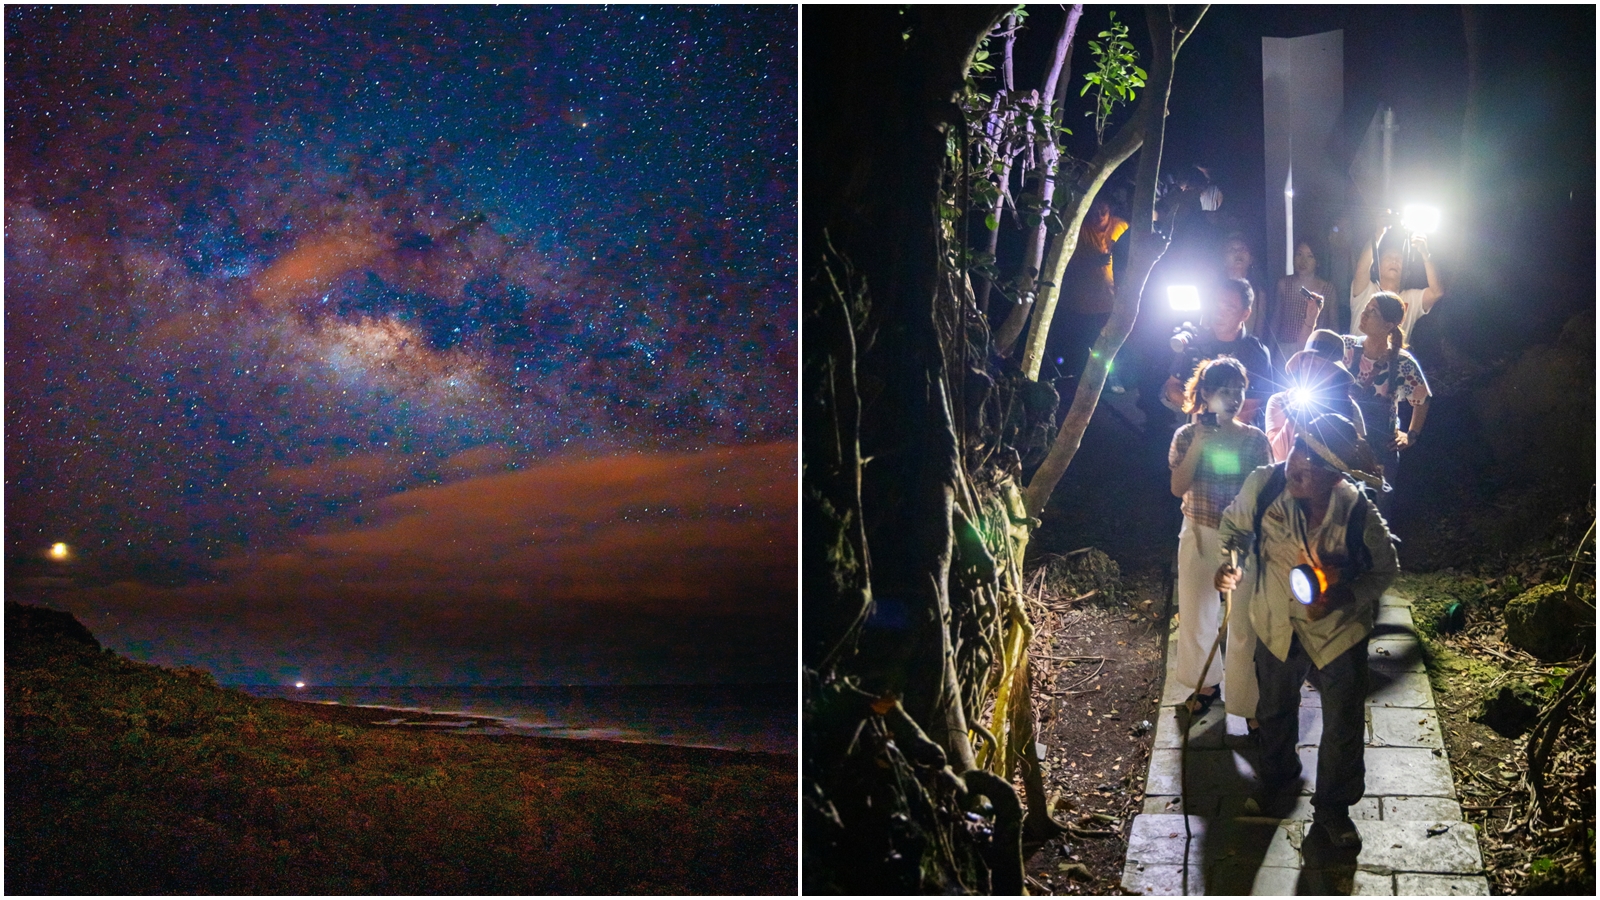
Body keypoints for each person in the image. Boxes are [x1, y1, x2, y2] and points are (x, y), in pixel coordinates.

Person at [1214, 414, 1398, 849]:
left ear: (1335, 477)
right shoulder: (1265, 486)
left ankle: (1333, 809)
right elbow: (1234, 529)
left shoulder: (1357, 512)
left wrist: (1346, 595)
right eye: (1300, 449)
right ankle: (1278, 780)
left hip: (1338, 631)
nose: (1300, 465)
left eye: (1316, 462)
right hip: (1276, 619)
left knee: (1342, 723)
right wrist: (1231, 565)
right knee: (1275, 709)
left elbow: (1386, 570)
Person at [1168, 358, 1273, 725]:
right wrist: (1198, 441)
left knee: (1244, 621)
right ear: (1206, 394)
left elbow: (1266, 493)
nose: (1233, 398)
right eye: (1224, 390)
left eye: (1239, 390)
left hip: (1242, 539)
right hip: (1199, 531)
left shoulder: (1255, 440)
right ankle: (1205, 682)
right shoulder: (1185, 436)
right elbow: (1178, 487)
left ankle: (1246, 700)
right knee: (1197, 612)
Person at [1341, 292, 1431, 516]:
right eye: (1367, 307)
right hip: (1344, 443)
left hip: (1381, 450)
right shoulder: (1348, 348)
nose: (1365, 313)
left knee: (1376, 513)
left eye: (1373, 312)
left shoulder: (1402, 362)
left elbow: (1423, 399)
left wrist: (1411, 435)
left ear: (1390, 324)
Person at [1164, 278, 1273, 428]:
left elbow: (1251, 408)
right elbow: (1172, 386)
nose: (1219, 314)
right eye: (1216, 306)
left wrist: (1218, 427)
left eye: (1229, 309)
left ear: (1245, 314)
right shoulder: (1195, 342)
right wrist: (1200, 409)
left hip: (1238, 439)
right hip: (1197, 432)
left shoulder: (1255, 353)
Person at [1047, 198, 1129, 388]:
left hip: (1109, 301)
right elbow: (1064, 265)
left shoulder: (1120, 226)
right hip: (1080, 303)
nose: (1099, 216)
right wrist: (1091, 263)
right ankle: (1081, 383)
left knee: (1110, 345)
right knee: (1083, 347)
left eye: (1103, 211)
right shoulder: (1080, 229)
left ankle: (1110, 379)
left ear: (1110, 209)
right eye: (1094, 211)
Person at [1264, 350, 1366, 463]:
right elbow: (1279, 455)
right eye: (1310, 364)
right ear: (1300, 366)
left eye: (1325, 367)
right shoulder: (1279, 400)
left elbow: (1358, 458)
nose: (1316, 372)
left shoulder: (1350, 407)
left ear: (1336, 374)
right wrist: (1297, 412)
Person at [1349, 222, 1444, 338]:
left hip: (1393, 356)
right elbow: (1361, 269)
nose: (1394, 261)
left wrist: (1425, 253)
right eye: (1389, 257)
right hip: (1357, 354)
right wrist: (1379, 233)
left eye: (1399, 259)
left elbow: (1437, 292)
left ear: (1407, 272)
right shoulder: (1366, 289)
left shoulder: (1413, 298)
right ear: (1376, 267)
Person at [1268, 241, 1336, 364]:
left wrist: (1333, 354)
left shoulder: (1327, 288)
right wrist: (1270, 350)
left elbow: (1332, 324)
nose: (1303, 261)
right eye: (1299, 254)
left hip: (1315, 349)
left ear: (1318, 261)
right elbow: (1276, 319)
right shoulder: (1284, 284)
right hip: (1286, 347)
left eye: (1310, 256)